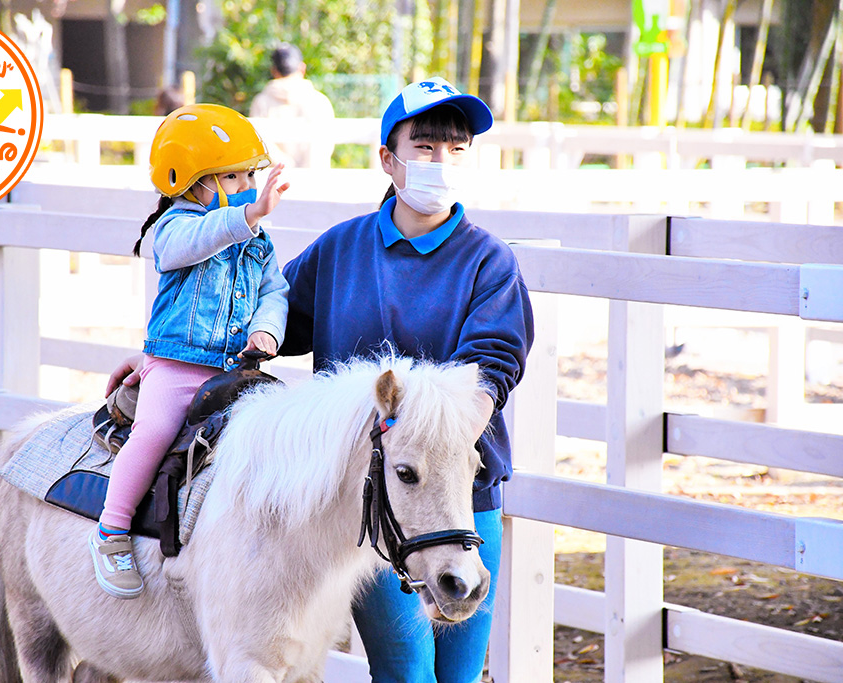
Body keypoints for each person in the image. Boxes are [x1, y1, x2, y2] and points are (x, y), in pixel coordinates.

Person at [107, 78, 533, 680]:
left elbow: (493, 365)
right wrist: (164, 357)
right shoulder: (342, 250)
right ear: (388, 158)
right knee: (403, 668)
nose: (442, 162)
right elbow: (257, 317)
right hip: (364, 500)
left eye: (457, 150)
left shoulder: (489, 261)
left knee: (460, 674)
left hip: (460, 494)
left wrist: (430, 435)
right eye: (426, 147)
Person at [90, 103, 290, 600]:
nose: (247, 183)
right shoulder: (175, 227)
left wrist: (267, 331)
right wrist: (246, 215)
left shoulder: (255, 239)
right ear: (190, 181)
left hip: (231, 369)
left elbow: (275, 291)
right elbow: (192, 244)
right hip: (176, 364)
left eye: (250, 173)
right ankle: (112, 531)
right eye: (233, 175)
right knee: (155, 431)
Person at [249, 42, 335, 169]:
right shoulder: (320, 102)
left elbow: (258, 146)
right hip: (314, 181)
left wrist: (286, 167)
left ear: (274, 71)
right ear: (302, 68)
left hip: (277, 183)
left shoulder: (260, 102)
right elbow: (325, 148)